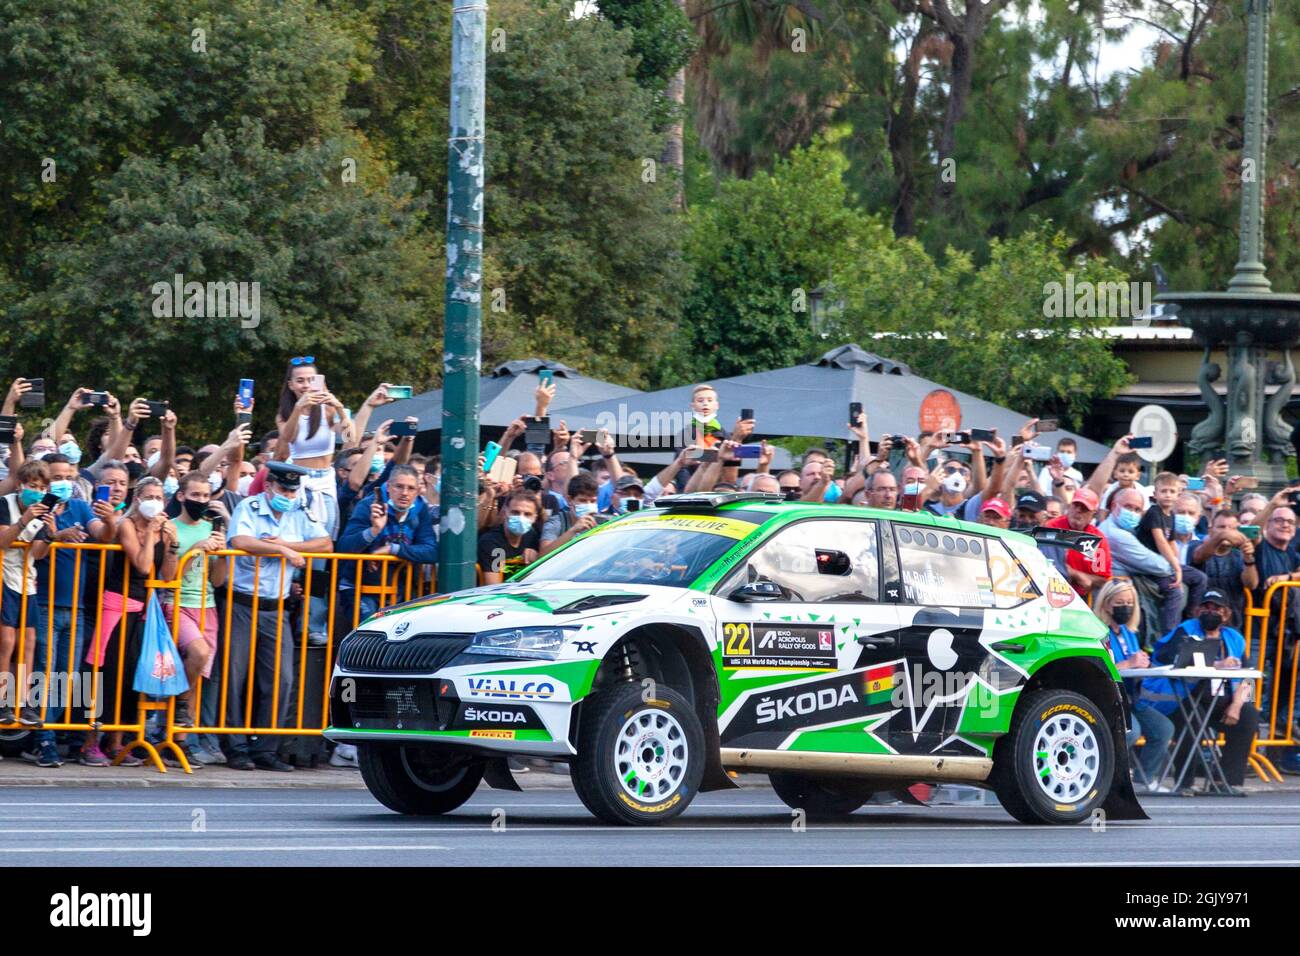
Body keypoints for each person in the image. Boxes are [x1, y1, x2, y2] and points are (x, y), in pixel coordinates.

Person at [226, 461, 332, 771]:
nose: (287, 494)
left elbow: (325, 542)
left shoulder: (299, 511)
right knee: (235, 678)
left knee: (281, 680)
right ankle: (236, 747)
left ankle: (267, 748)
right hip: (243, 603)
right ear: (269, 485)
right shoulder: (250, 506)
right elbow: (240, 541)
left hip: (277, 607)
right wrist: (283, 553)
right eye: (283, 488)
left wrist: (286, 544)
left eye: (292, 489)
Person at [79, 477, 179, 766]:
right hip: (118, 604)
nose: (155, 502)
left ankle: (118, 742)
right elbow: (142, 564)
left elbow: (167, 575)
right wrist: (149, 532)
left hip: (144, 610)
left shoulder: (163, 529)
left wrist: (172, 545)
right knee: (104, 671)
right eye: (149, 496)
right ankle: (89, 743)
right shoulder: (127, 524)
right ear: (137, 498)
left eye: (159, 497)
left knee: (132, 674)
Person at [27, 454, 109, 767]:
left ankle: (48, 733)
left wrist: (110, 519)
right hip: (44, 604)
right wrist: (54, 536)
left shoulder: (80, 507)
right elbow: (34, 551)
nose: (63, 481)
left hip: (75, 606)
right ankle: (42, 739)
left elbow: (103, 535)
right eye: (57, 476)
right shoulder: (37, 509)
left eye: (69, 475)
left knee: (68, 676)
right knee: (45, 673)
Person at [1143, 591, 1259, 792]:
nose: (1210, 611)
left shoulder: (1235, 638)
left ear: (1227, 614)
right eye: (1206, 607)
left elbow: (1248, 677)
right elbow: (1167, 656)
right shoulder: (1185, 630)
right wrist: (1217, 665)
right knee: (1192, 718)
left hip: (1222, 701)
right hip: (1186, 697)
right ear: (1198, 610)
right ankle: (1185, 782)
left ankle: (1226, 781)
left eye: (1216, 608)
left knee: (1249, 716)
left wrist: (1237, 705)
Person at [160, 472, 228, 760]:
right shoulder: (171, 528)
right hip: (178, 603)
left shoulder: (212, 528)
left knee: (199, 672)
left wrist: (223, 554)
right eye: (195, 495)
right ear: (181, 496)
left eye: (205, 495)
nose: (200, 500)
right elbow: (169, 576)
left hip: (207, 605)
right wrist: (196, 550)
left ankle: (180, 740)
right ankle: (176, 710)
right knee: (198, 654)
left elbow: (218, 580)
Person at [1094, 579, 1174, 791]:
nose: (1126, 607)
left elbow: (1133, 664)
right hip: (1108, 699)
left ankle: (1144, 781)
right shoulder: (1098, 632)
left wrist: (1143, 663)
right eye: (1120, 602)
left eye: (1130, 603)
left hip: (1132, 698)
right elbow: (1099, 669)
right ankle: (1106, 780)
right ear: (1106, 604)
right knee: (1131, 732)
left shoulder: (1129, 633)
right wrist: (1129, 663)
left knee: (1163, 729)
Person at [335, 464, 438, 627]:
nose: (405, 493)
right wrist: (374, 531)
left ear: (418, 491)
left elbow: (431, 551)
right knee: (369, 639)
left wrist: (393, 549)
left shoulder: (420, 509)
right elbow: (344, 546)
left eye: (411, 488)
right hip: (360, 589)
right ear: (389, 487)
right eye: (399, 486)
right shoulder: (369, 505)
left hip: (399, 591)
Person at [0, 460, 55, 726]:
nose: (37, 491)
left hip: (27, 581)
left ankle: (23, 702)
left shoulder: (43, 513)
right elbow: (3, 541)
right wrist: (24, 519)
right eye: (32, 486)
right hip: (4, 578)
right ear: (22, 485)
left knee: (29, 642)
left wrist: (50, 535)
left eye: (42, 488)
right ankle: (2, 701)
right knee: (6, 642)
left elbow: (37, 554)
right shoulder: (6, 504)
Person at [274, 358, 352, 537]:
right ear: (291, 385)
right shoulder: (284, 414)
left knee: (325, 537)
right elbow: (288, 438)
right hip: (299, 480)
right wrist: (298, 409)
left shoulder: (329, 410)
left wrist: (339, 407)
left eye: (311, 379)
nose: (306, 385)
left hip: (325, 481)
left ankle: (318, 567)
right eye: (300, 380)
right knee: (296, 535)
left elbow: (350, 437)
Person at [1100, 486, 1184, 633]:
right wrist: (1176, 567)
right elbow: (1160, 567)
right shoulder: (1116, 535)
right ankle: (1169, 635)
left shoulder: (1127, 529)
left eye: (1137, 510)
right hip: (1119, 592)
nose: (1132, 513)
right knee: (1175, 588)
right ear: (1114, 506)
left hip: (1130, 586)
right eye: (1128, 507)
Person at [1191, 510, 1258, 625]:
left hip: (1231, 623)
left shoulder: (1239, 556)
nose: (1227, 532)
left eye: (1232, 529)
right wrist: (1223, 535)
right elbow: (1198, 557)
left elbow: (1251, 584)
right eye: (1221, 527)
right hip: (1197, 621)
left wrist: (1248, 558)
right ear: (1210, 530)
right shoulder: (1195, 546)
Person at [1041, 487, 1111, 597]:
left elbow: (1103, 579)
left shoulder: (1098, 539)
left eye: (1084, 508)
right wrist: (1074, 574)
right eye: (1076, 505)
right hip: (1048, 590)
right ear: (1069, 506)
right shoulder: (1051, 528)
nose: (1078, 511)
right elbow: (1041, 562)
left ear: (1093, 514)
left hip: (1080, 598)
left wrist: (1078, 575)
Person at [478, 490, 543, 584]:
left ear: (535, 517)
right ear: (505, 512)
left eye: (527, 514)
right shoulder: (491, 542)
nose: (521, 518)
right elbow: (493, 587)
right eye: (515, 512)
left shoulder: (531, 537)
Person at [540, 473, 609, 555]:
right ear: (570, 500)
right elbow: (542, 555)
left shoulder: (603, 523)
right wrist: (573, 531)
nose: (588, 505)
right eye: (582, 501)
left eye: (593, 501)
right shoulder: (556, 522)